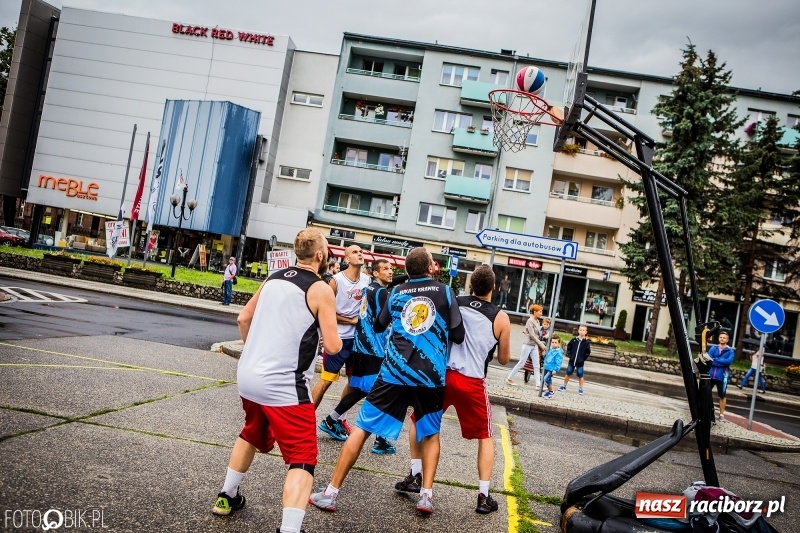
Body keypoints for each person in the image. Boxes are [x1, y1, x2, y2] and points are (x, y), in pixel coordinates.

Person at [309, 247, 465, 515]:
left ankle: (330, 493)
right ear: (430, 268)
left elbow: (380, 325)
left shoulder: (396, 292)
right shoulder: (445, 292)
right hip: (430, 376)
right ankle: (426, 496)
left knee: (362, 428)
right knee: (430, 434)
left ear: (406, 270)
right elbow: (458, 334)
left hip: (394, 372)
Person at [211, 228, 342, 533]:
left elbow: (243, 318)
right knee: (303, 458)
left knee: (251, 433)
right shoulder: (321, 289)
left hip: (249, 375)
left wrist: (256, 348)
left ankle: (226, 496)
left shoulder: (274, 277)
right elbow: (334, 346)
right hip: (284, 385)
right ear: (320, 255)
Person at [395, 264, 511, 514]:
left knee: (418, 419)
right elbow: (503, 358)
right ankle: (483, 495)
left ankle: (415, 474)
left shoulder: (455, 301)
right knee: (485, 435)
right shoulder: (501, 317)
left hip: (444, 374)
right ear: (493, 287)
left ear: (471, 285)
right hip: (472, 380)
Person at [318, 258, 396, 454]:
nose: (390, 271)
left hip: (360, 347)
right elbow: (384, 321)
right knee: (381, 392)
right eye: (385, 268)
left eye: (391, 268)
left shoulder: (369, 288)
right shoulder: (382, 294)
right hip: (374, 350)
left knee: (359, 390)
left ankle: (331, 419)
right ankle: (380, 439)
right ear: (375, 274)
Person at [311, 245, 371, 439]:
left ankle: (337, 419)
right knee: (326, 381)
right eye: (355, 252)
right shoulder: (336, 281)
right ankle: (305, 422)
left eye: (361, 252)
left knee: (355, 384)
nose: (360, 254)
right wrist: (350, 320)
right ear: (346, 258)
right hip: (338, 338)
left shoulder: (367, 280)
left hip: (357, 342)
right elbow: (325, 312)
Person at [506, 305, 547, 386]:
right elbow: (532, 335)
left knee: (536, 365)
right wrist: (541, 345)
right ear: (534, 312)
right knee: (521, 363)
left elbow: (536, 334)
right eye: (540, 311)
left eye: (541, 311)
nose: (541, 313)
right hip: (528, 345)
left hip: (534, 345)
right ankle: (509, 378)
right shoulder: (530, 321)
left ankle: (538, 385)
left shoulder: (538, 321)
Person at [708, 330, 735, 421]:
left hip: (722, 376)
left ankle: (721, 414)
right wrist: (720, 361)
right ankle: (705, 410)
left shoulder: (730, 351)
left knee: (722, 395)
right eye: (720, 337)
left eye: (724, 338)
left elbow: (728, 362)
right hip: (711, 375)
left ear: (727, 340)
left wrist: (715, 360)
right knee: (705, 393)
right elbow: (709, 359)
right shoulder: (713, 348)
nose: (722, 339)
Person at [559, 324, 591, 395]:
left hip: (580, 362)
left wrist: (583, 359)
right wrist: (570, 355)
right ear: (578, 331)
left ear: (586, 332)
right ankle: (564, 386)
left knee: (580, 374)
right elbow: (569, 348)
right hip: (572, 360)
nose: (582, 332)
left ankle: (580, 388)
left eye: (583, 330)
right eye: (580, 330)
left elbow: (587, 352)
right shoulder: (574, 340)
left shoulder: (586, 343)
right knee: (568, 372)